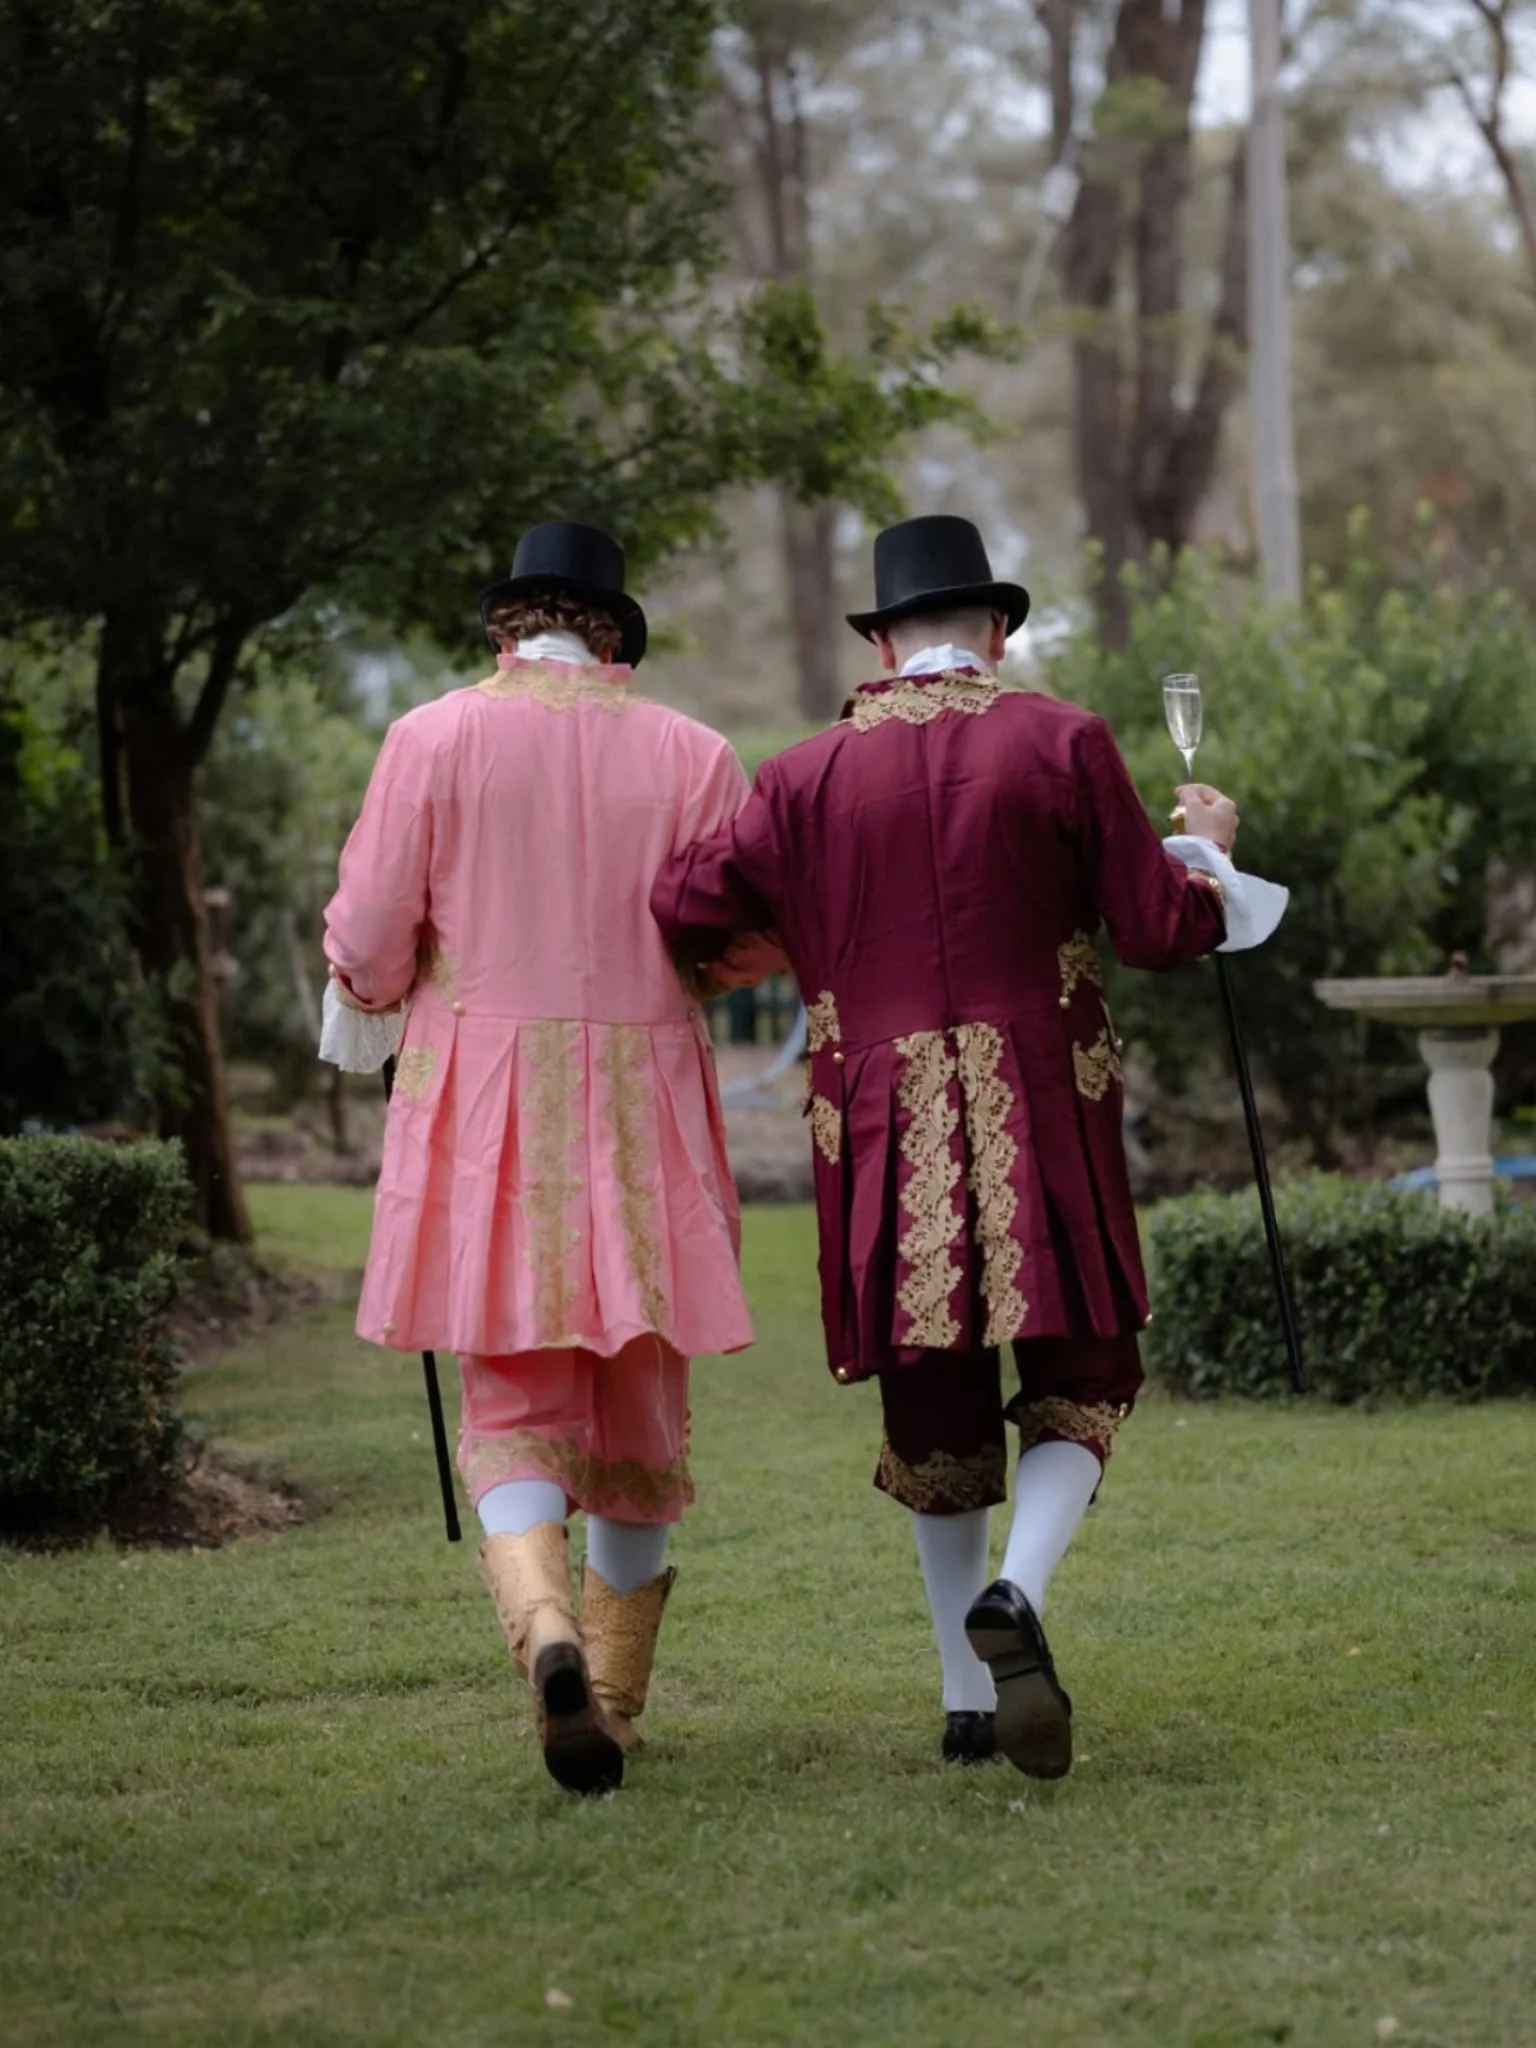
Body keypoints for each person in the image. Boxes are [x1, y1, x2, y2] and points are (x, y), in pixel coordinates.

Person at [652, 514, 1286, 1779]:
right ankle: (1021, 1592)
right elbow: (1157, 928)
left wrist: (803, 924)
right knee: (1082, 1371)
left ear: (884, 643)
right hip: (1039, 1094)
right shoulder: (1062, 739)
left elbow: (684, 901)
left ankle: (962, 1697)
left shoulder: (800, 778)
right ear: (996, 631)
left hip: (879, 1114)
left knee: (931, 1402)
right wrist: (1211, 850)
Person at [321, 521, 777, 1796]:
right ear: (614, 632)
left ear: (507, 626)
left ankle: (547, 1630)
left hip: (490, 1105)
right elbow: (746, 927)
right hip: (643, 1104)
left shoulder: (431, 737)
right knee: (640, 1406)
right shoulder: (693, 752)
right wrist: (687, 974)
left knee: (511, 1400)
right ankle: (612, 1703)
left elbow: (371, 927)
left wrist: (369, 985)